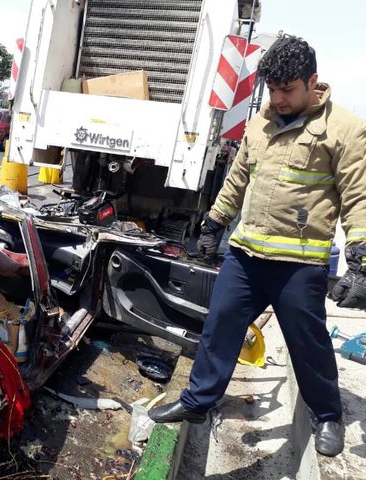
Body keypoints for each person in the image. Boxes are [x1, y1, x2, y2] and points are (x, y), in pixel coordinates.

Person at [147, 35, 366, 458]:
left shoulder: (345, 130)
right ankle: (197, 402)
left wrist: (361, 261)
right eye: (273, 90)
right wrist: (214, 222)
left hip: (298, 264)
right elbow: (237, 179)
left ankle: (327, 415)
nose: (278, 99)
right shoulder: (260, 124)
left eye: (288, 90)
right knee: (219, 326)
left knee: (308, 343)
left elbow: (359, 197)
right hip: (246, 257)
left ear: (313, 82)